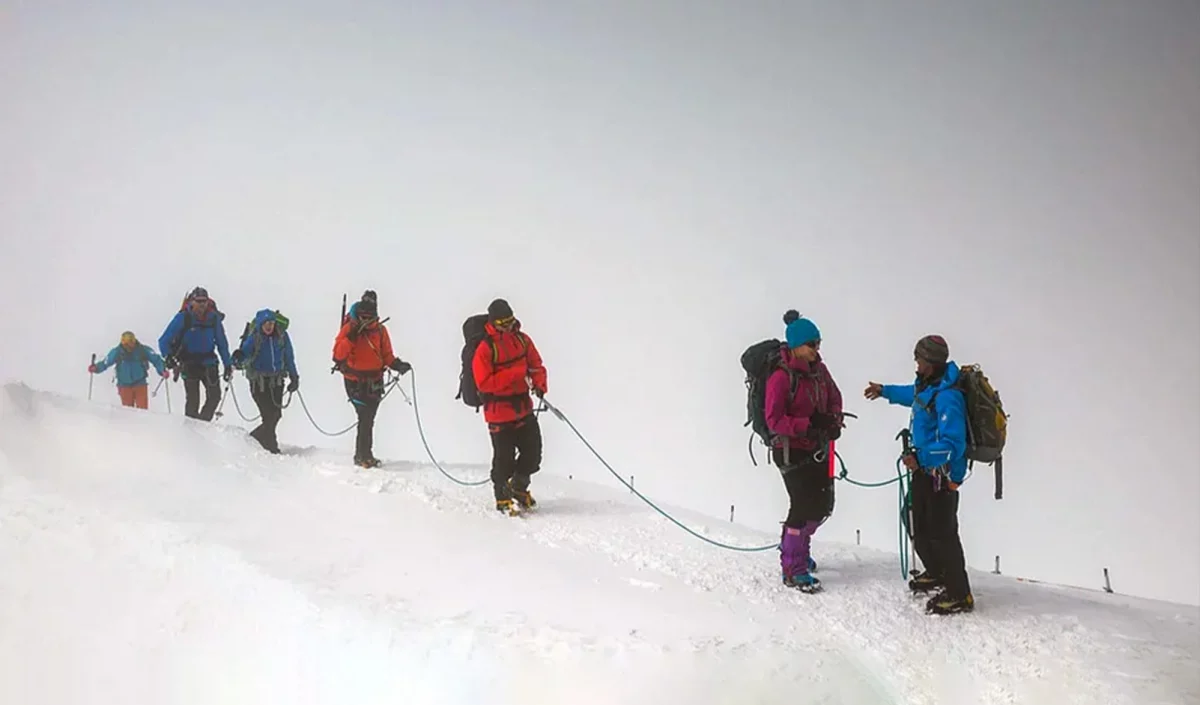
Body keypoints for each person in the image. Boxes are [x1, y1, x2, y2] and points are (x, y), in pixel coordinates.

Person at [864, 334, 974, 615]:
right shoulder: (927, 385)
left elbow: (954, 443)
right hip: (924, 471)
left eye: (920, 359)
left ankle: (960, 594)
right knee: (913, 518)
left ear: (932, 362)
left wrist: (920, 457)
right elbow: (910, 395)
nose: (916, 363)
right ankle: (937, 572)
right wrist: (884, 390)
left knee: (943, 532)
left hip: (941, 473)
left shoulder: (948, 396)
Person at [764, 315, 844, 593]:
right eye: (811, 344)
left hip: (819, 448)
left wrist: (832, 420)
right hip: (790, 451)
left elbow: (835, 396)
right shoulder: (780, 377)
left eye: (818, 343)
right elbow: (774, 420)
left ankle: (796, 550)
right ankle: (793, 567)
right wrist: (808, 425)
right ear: (796, 344)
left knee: (822, 506)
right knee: (802, 505)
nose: (816, 349)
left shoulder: (819, 371)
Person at [472, 298, 548, 514]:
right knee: (503, 458)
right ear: (493, 323)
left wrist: (539, 384)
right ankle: (502, 495)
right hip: (498, 413)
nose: (507, 327)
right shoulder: (485, 349)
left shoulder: (523, 340)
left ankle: (519, 487)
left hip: (523, 408)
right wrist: (516, 373)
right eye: (502, 323)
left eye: (510, 321)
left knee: (533, 454)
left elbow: (536, 365)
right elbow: (484, 383)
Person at [332, 290, 411, 467]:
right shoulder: (350, 329)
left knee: (368, 418)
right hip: (354, 381)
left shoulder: (380, 331)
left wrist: (398, 365)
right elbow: (338, 355)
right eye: (364, 316)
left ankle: (363, 455)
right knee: (365, 417)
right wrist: (350, 338)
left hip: (374, 381)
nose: (367, 320)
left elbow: (387, 356)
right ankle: (363, 456)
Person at [158, 287, 234, 421]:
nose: (201, 304)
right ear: (192, 302)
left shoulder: (213, 319)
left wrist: (228, 364)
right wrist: (168, 356)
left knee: (215, 396)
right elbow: (164, 340)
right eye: (198, 301)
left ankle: (200, 427)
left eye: (204, 301)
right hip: (189, 362)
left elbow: (222, 343)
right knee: (193, 400)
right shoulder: (183, 318)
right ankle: (191, 434)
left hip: (209, 362)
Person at [232, 309, 299, 454]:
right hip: (259, 382)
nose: (269, 326)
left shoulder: (282, 336)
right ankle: (270, 446)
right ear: (260, 324)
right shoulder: (255, 337)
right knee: (269, 415)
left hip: (277, 381)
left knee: (276, 414)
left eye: (272, 323)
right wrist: (238, 357)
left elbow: (289, 357)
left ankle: (254, 440)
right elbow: (246, 351)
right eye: (266, 323)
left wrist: (294, 376)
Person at [88, 331, 169, 409]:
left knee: (143, 411)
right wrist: (96, 368)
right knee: (127, 413)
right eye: (127, 343)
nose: (129, 345)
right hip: (124, 385)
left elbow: (156, 359)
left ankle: (143, 423)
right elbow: (106, 362)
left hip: (140, 383)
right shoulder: (117, 352)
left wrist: (162, 370)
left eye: (131, 342)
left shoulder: (142, 350)